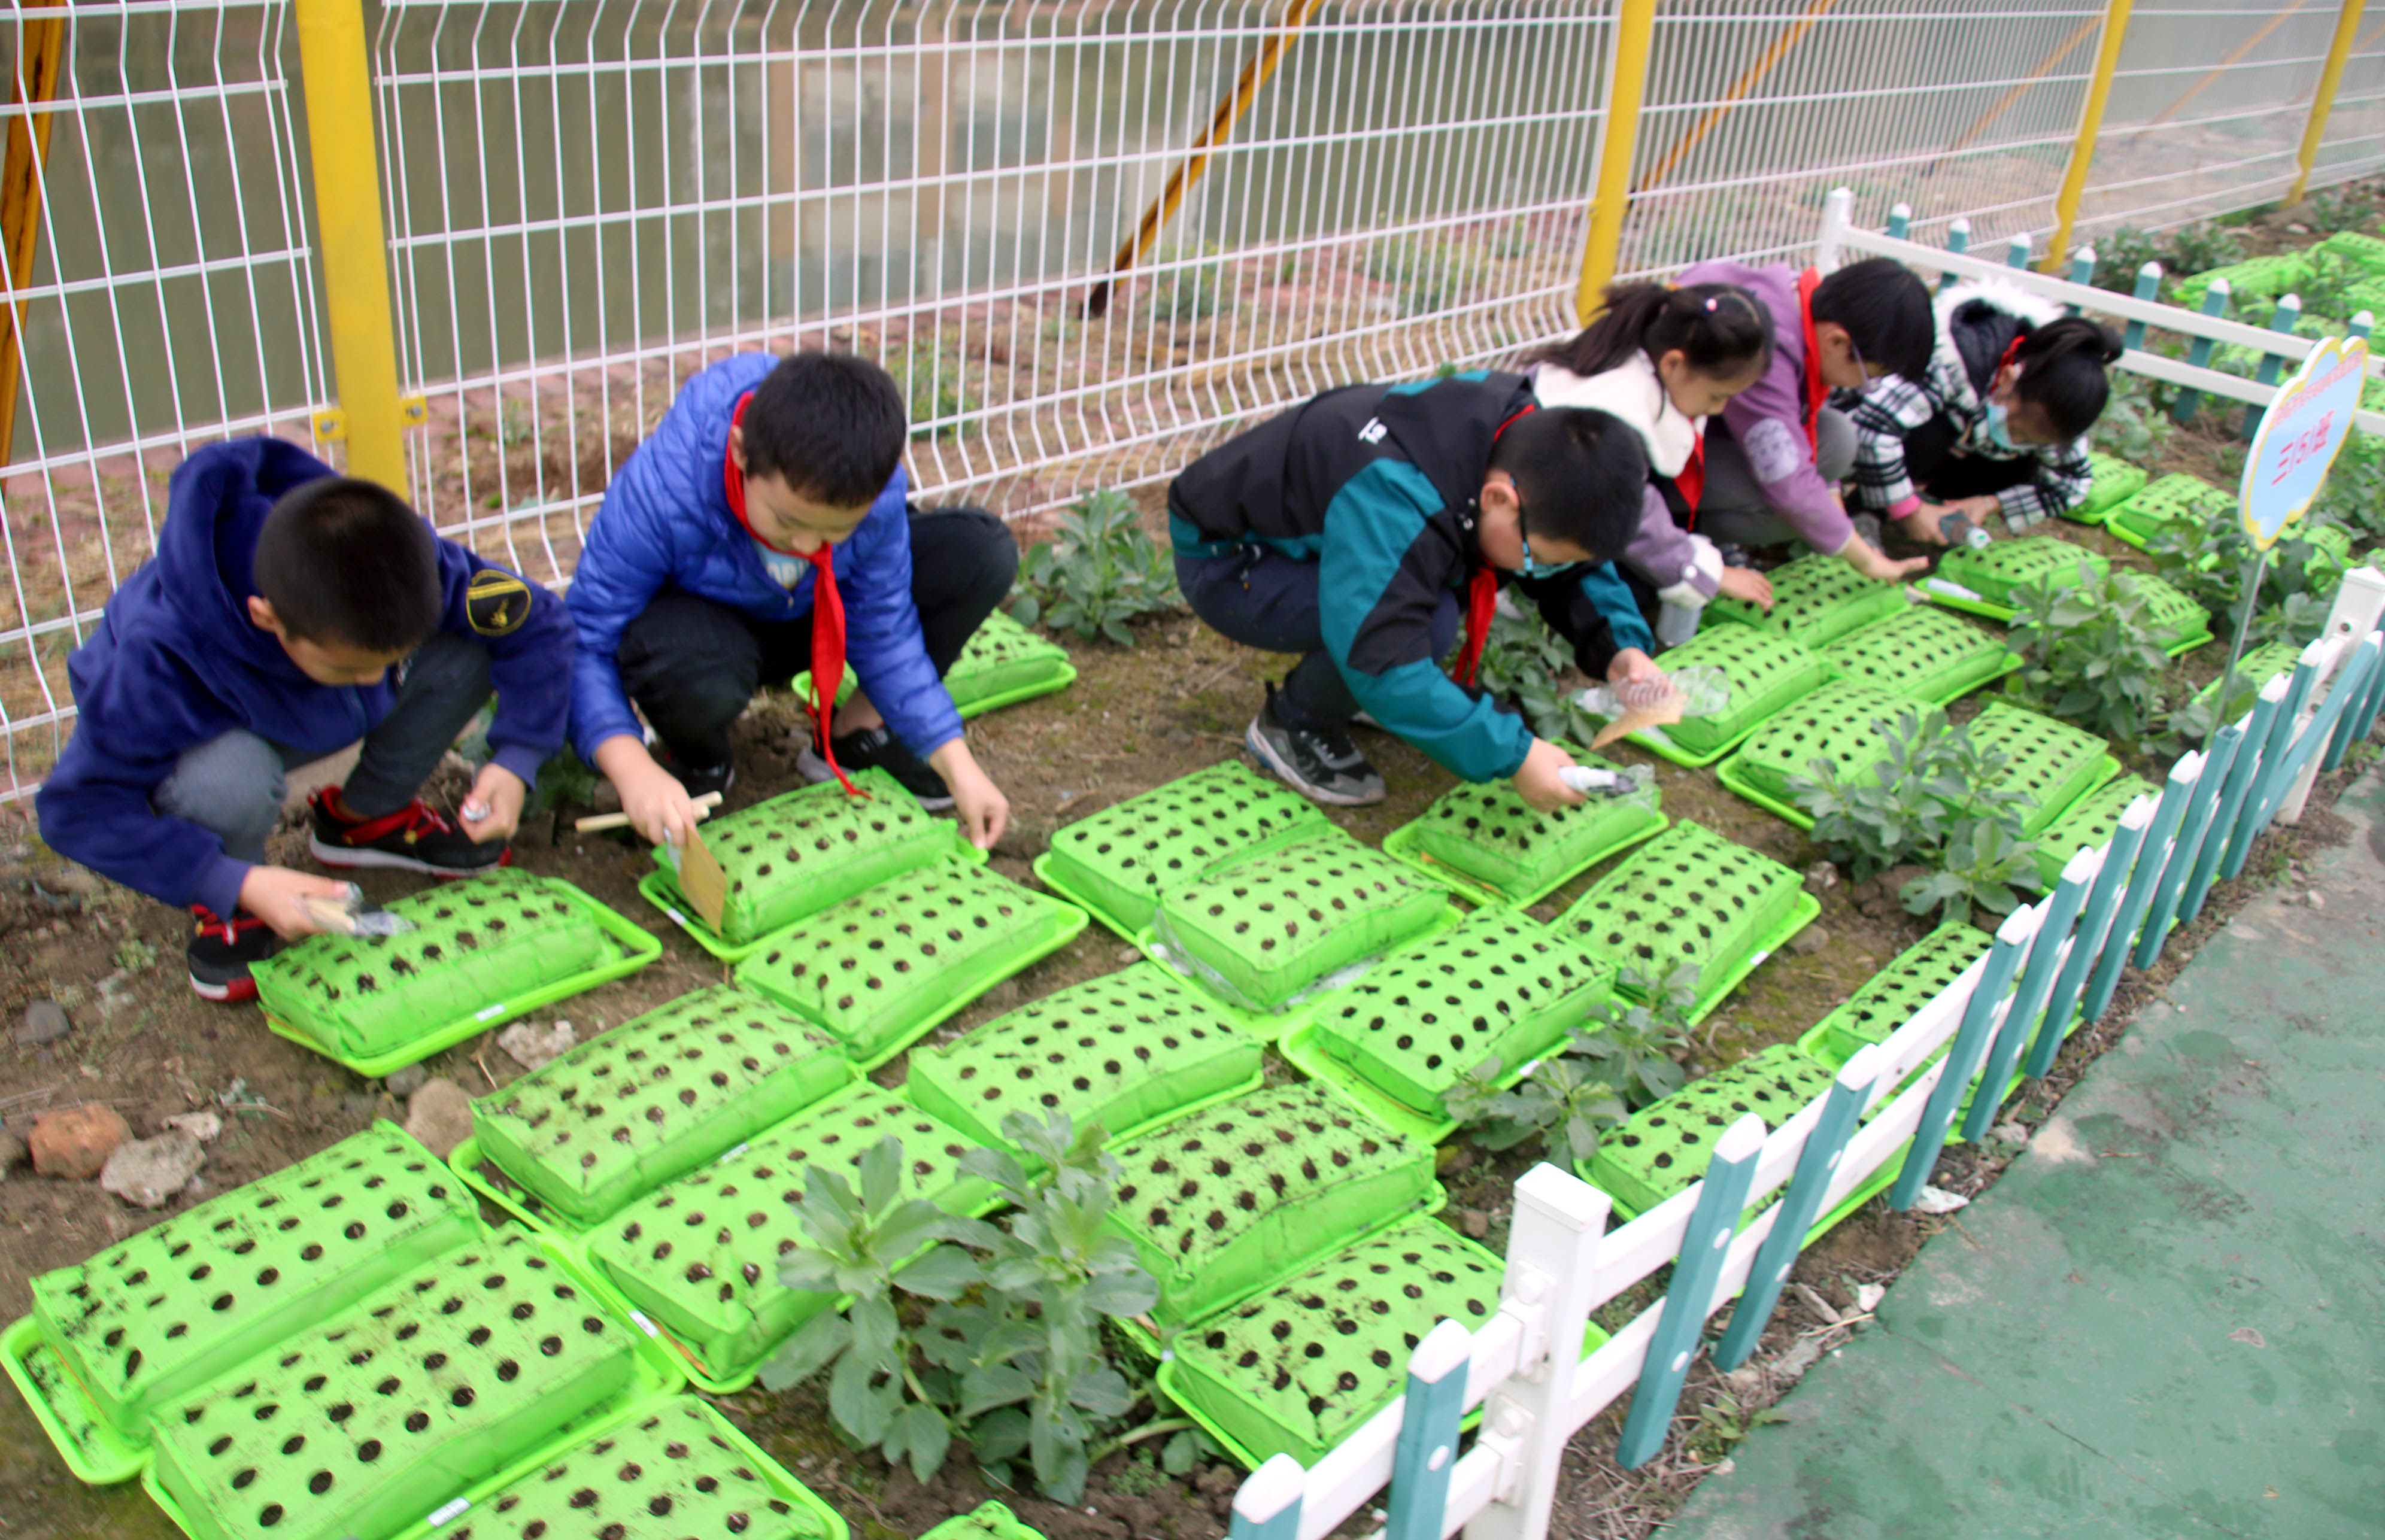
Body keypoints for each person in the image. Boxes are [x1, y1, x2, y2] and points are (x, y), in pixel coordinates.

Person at [35, 441, 575, 1001]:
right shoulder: (163, 656)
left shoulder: (395, 558)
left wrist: (517, 760)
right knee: (228, 782)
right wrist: (231, 881)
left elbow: (539, 623)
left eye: (390, 662)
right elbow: (75, 808)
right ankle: (236, 887)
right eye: (354, 666)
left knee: (474, 649)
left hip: (306, 704)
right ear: (268, 618)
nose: (380, 682)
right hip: (203, 729)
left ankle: (365, 819)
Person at [564, 351, 1015, 851]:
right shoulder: (667, 488)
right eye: (787, 522)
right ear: (739, 453)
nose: (805, 546)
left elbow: (885, 630)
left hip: (815, 617)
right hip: (715, 637)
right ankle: (698, 759)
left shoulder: (876, 494)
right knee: (677, 659)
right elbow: (586, 639)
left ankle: (856, 737)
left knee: (980, 551)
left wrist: (957, 763)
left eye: (835, 530)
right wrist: (630, 767)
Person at [1168, 370, 1661, 809]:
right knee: (1420, 628)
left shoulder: (1523, 447)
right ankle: (1293, 724)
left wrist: (1620, 647)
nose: (1541, 572)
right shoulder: (1396, 495)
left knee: (1423, 618)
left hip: (1321, 540)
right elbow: (1380, 652)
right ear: (1497, 499)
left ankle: (1362, 697)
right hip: (1233, 563)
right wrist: (1514, 754)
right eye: (1539, 561)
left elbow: (1571, 564)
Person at [1530, 281, 1781, 643]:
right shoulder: (1615, 417)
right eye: (1716, 396)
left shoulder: (1627, 355)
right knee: (1640, 584)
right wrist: (1709, 574)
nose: (1720, 409)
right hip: (1535, 524)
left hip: (1548, 501)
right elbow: (1634, 515)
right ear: (1675, 365)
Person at [1668, 255, 1935, 584]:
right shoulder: (1766, 344)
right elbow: (1785, 478)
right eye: (1870, 378)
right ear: (1837, 341)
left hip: (1699, 432)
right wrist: (1867, 561)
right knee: (1793, 512)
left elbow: (1799, 425)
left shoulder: (1798, 299)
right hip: (1655, 462)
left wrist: (1831, 497)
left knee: (1836, 438)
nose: (1863, 388)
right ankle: (1682, 536)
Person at [1843, 281, 2122, 540]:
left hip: (1958, 459)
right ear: (2008, 379)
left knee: (2022, 466)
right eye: (2016, 430)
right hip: (1915, 444)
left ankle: (1934, 506)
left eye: (2029, 441)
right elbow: (1873, 426)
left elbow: (2072, 483)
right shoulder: (1951, 361)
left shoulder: (2058, 407)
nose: (2016, 442)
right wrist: (1908, 510)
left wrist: (1989, 503)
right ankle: (1868, 510)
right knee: (1933, 433)